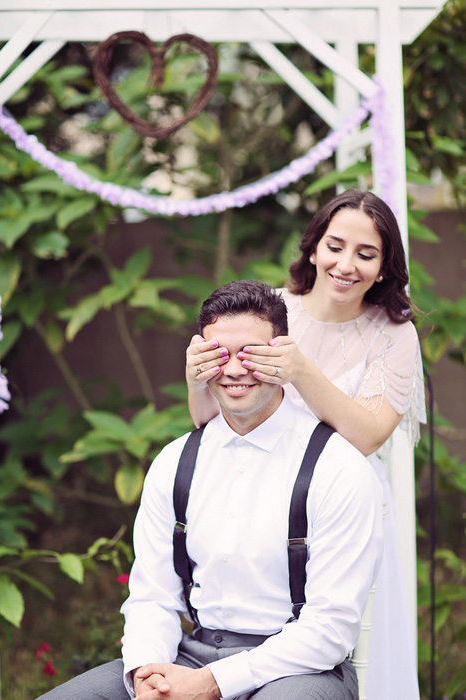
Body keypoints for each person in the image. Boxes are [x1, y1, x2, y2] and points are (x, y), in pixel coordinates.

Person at [37, 280, 383, 700]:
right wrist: (150, 672)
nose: (235, 370)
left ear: (281, 354)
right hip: (188, 657)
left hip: (299, 669)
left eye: (251, 353)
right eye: (220, 354)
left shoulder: (337, 467)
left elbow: (330, 629)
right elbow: (153, 597)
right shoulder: (175, 461)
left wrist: (211, 684)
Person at [186, 191, 426, 700]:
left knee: (348, 639)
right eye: (335, 246)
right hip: (255, 492)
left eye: (366, 254)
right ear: (313, 248)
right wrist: (195, 381)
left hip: (345, 505)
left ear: (384, 268)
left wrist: (302, 373)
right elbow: (209, 424)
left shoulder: (394, 335)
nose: (345, 264)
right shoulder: (270, 311)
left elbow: (366, 435)